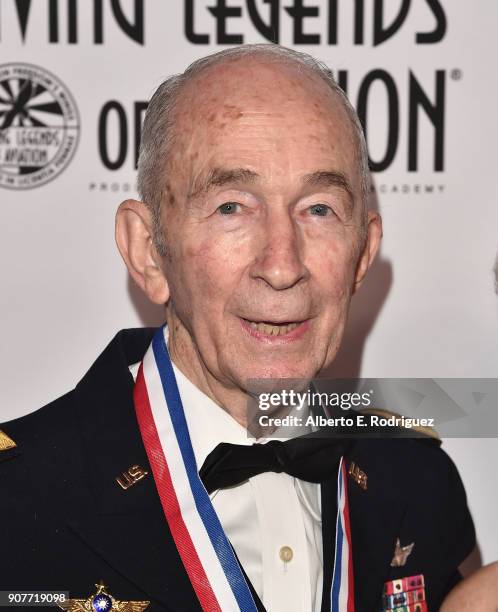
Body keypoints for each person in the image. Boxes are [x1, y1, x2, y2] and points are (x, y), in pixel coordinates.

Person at [0, 44, 475, 612]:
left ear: (362, 256)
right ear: (149, 252)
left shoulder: (417, 482)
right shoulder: (15, 499)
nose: (282, 264)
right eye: (231, 207)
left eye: (319, 208)